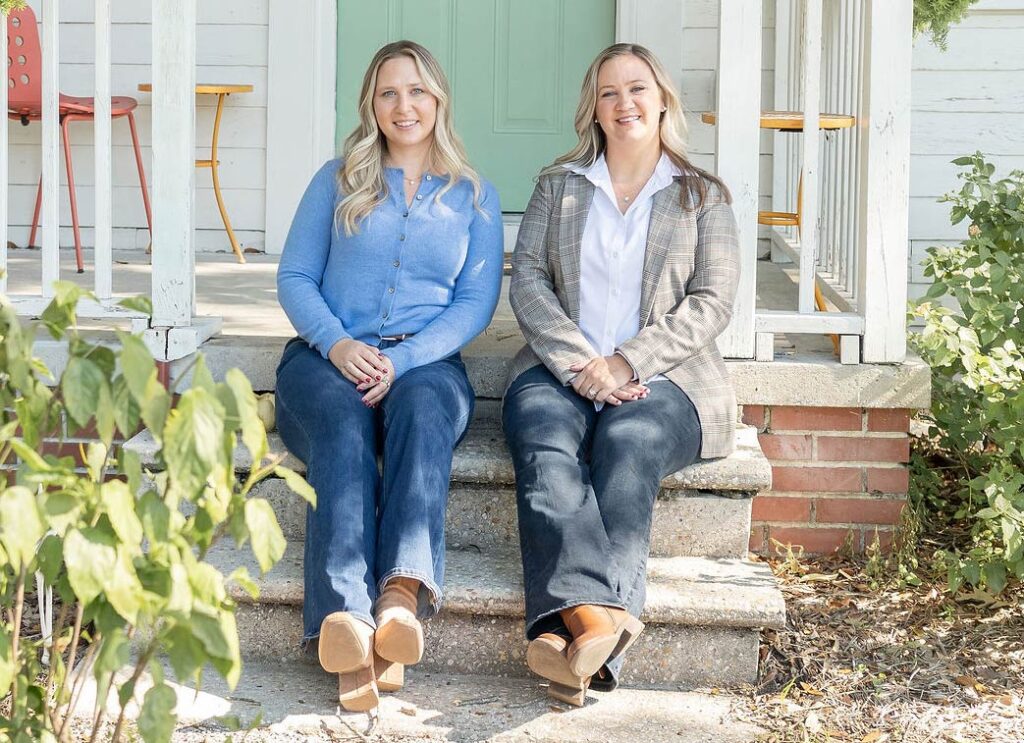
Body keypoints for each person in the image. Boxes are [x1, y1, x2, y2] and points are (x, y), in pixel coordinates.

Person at [502, 43, 740, 706]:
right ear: (594, 109)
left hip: (668, 375)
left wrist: (627, 362)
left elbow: (712, 302)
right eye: (609, 92)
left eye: (637, 89)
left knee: (627, 444)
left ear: (662, 101)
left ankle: (570, 633)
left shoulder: (702, 196)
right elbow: (528, 282)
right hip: (559, 366)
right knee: (546, 449)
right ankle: (598, 627)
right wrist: (584, 364)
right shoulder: (559, 185)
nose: (624, 103)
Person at [275, 40, 502, 712]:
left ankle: (400, 598)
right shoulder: (336, 179)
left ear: (439, 100)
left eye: (417, 91)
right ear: (371, 105)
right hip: (325, 359)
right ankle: (345, 617)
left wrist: (403, 360)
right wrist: (338, 343)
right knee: (343, 428)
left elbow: (474, 305)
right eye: (389, 93)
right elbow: (295, 276)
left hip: (424, 362)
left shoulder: (474, 197)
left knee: (425, 414)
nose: (405, 106)